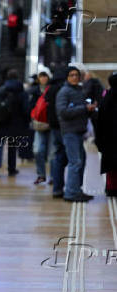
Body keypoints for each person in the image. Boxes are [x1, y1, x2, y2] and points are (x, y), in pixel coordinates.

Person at [56, 66, 97, 202]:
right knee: (75, 162)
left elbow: (81, 109)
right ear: (67, 77)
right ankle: (71, 193)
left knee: (81, 161)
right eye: (71, 75)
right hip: (70, 131)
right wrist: (83, 108)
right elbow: (63, 112)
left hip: (79, 131)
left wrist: (89, 109)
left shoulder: (78, 91)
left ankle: (76, 189)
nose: (74, 77)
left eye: (76, 75)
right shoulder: (64, 92)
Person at [0, 69, 29, 178]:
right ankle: (11, 168)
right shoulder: (22, 92)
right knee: (12, 146)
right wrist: (26, 122)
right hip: (15, 123)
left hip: (0, 122)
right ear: (17, 78)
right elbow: (26, 109)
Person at [46, 68, 68, 198]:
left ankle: (56, 184)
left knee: (57, 153)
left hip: (53, 125)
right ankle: (61, 186)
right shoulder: (62, 88)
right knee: (64, 155)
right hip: (63, 126)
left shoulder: (50, 88)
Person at [96, 72, 117, 197]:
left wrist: (99, 141)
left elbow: (100, 122)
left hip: (109, 140)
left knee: (111, 167)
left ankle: (111, 188)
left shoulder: (106, 99)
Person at [30, 71, 51, 184]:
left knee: (52, 153)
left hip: (51, 124)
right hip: (39, 124)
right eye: (41, 77)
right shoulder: (34, 91)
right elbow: (30, 106)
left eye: (45, 76)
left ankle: (53, 176)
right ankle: (41, 174)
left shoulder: (53, 89)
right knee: (37, 150)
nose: (43, 79)